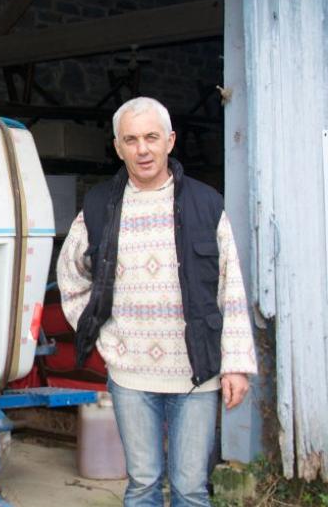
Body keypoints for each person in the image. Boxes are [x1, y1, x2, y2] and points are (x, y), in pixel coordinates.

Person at [57, 97, 257, 507]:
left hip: (195, 373)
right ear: (118, 147)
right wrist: (101, 335)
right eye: (131, 140)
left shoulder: (206, 204)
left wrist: (236, 364)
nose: (142, 149)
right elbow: (70, 276)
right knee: (143, 485)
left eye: (151, 137)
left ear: (170, 141)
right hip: (130, 375)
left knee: (190, 489)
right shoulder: (97, 207)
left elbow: (230, 289)